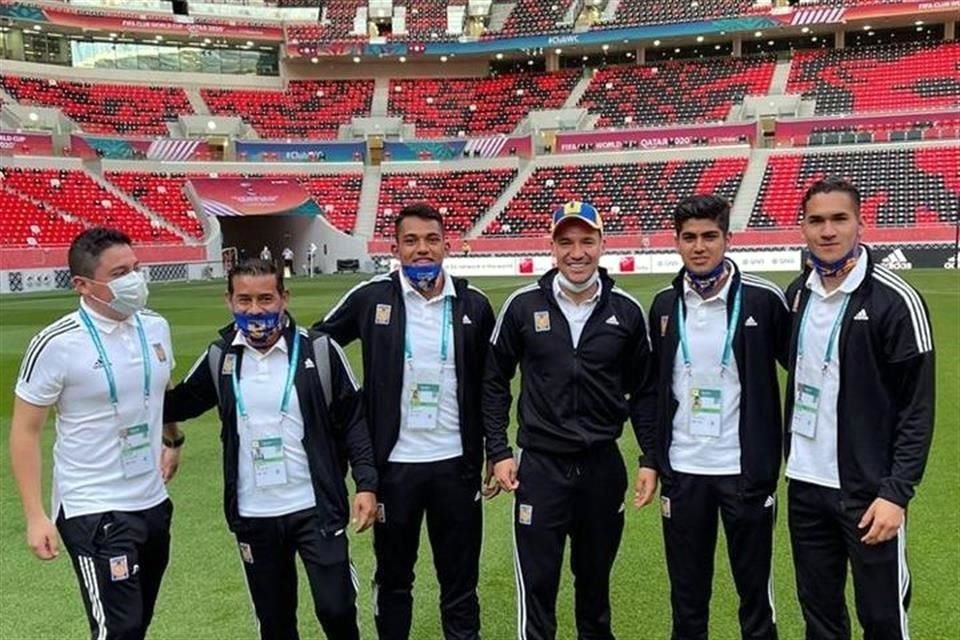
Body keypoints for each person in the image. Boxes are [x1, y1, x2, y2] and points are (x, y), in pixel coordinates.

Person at [163, 259, 377, 640]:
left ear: (284, 297)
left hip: (316, 507)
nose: (255, 310)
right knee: (275, 622)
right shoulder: (221, 356)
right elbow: (178, 403)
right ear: (228, 300)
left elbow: (354, 421)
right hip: (254, 512)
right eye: (244, 299)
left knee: (337, 609)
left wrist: (366, 484)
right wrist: (150, 368)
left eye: (266, 298)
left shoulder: (321, 350)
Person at [314, 202, 495, 640]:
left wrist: (494, 449)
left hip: (458, 465)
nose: (421, 249)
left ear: (447, 246)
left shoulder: (473, 304)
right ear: (395, 248)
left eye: (431, 240)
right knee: (395, 579)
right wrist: (351, 409)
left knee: (460, 582)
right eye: (410, 241)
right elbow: (317, 348)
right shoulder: (370, 297)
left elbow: (492, 385)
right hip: (394, 469)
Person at [484, 201, 658, 640]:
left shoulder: (627, 311)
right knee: (538, 587)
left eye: (586, 241)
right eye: (566, 242)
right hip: (540, 468)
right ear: (552, 246)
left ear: (602, 244)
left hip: (602, 466)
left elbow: (645, 391)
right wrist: (500, 451)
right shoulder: (523, 306)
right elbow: (493, 380)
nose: (576, 252)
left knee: (595, 587)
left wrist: (650, 457)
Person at [10, 227, 183, 640]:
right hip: (93, 507)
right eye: (120, 272)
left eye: (136, 269)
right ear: (83, 285)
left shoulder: (155, 326)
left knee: (136, 623)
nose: (135, 281)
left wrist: (172, 439)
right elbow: (24, 431)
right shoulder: (55, 343)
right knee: (117, 631)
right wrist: (36, 516)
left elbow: (162, 388)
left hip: (152, 501)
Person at [784, 177, 935, 640]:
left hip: (870, 493)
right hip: (806, 486)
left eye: (838, 219)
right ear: (803, 229)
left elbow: (918, 407)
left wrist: (896, 492)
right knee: (821, 617)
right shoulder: (797, 294)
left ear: (860, 224)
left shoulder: (896, 301)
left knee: (883, 618)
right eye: (816, 221)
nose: (827, 231)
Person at [647, 195, 789, 639]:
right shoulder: (664, 306)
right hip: (684, 472)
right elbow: (654, 391)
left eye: (710, 236)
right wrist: (653, 459)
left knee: (754, 596)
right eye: (689, 237)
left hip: (744, 473)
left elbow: (801, 366)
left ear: (729, 238)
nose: (699, 246)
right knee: (687, 598)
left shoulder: (764, 300)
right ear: (676, 243)